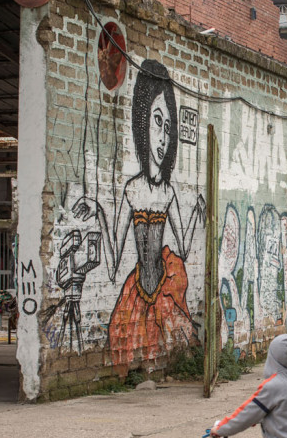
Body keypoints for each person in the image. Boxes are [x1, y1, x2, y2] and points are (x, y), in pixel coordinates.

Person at [73, 60, 206, 370]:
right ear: (142, 122)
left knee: (168, 344)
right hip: (138, 291)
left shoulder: (168, 193)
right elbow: (115, 254)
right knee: (127, 343)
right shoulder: (132, 190)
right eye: (156, 121)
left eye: (168, 126)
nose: (162, 136)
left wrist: (197, 210)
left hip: (164, 286)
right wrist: (100, 213)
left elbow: (184, 249)